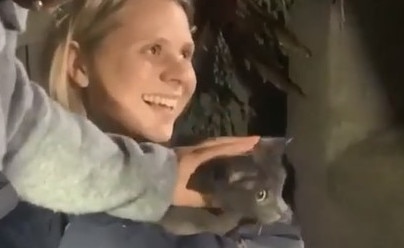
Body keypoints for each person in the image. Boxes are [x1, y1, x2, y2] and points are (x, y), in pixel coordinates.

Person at [2, 0, 304, 247]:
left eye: (186, 53)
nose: (182, 75)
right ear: (78, 65)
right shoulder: (20, 200)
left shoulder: (211, 173)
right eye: (154, 50)